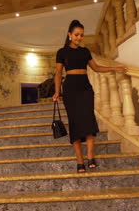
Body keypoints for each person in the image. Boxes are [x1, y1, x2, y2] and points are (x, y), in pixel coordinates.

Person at [52, 20, 126, 173]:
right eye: (76, 34)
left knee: (89, 122)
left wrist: (115, 68)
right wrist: (57, 91)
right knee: (75, 124)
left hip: (85, 89)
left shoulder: (85, 52)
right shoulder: (62, 52)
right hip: (70, 89)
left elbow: (97, 68)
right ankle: (80, 161)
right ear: (70, 35)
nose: (79, 38)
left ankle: (91, 157)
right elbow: (58, 73)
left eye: (81, 35)